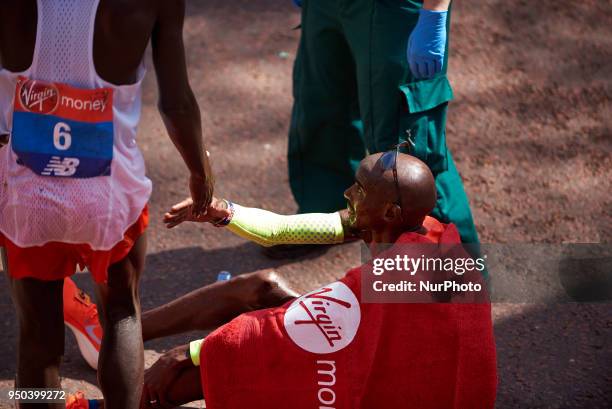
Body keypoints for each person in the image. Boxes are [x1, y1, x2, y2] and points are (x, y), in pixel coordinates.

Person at [67, 152, 496, 408]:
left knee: (231, 360)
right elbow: (285, 230)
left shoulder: (395, 273)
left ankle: (116, 401)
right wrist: (225, 212)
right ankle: (117, 336)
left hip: (398, 389)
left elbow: (276, 332)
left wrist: (187, 353)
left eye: (359, 190)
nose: (348, 193)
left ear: (387, 212)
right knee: (262, 287)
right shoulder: (409, 226)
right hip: (387, 358)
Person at [0, 1, 213, 408]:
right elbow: (177, 103)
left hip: (24, 194)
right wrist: (200, 173)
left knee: (36, 339)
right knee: (121, 314)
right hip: (110, 196)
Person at [283, 0, 480, 255]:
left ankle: (454, 269)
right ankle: (329, 219)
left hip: (392, 10)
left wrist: (434, 12)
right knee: (323, 108)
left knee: (407, 153)